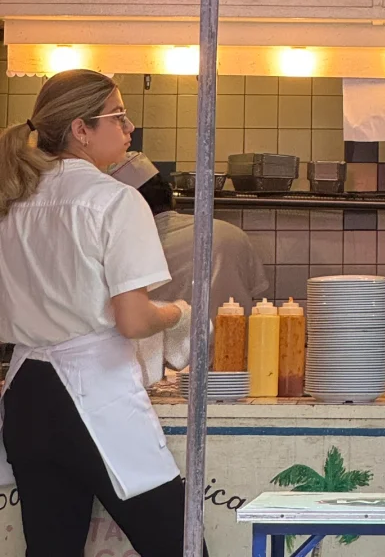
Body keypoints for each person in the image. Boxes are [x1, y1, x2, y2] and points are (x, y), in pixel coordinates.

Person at [0, 69, 203, 557]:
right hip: (92, 394)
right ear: (80, 129)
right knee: (179, 547)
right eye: (118, 116)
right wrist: (177, 312)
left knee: (51, 550)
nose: (130, 128)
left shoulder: (13, 204)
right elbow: (132, 319)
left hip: (26, 395)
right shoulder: (115, 201)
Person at [112, 152, 269, 315]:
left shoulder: (128, 251)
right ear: (171, 195)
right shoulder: (231, 234)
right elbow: (258, 291)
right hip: (233, 338)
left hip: (162, 340)